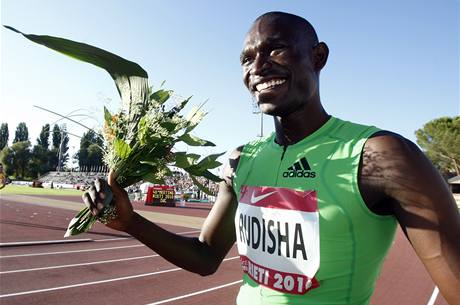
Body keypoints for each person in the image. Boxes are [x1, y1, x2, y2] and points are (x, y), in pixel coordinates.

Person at [84, 12, 460, 305]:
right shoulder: (241, 160)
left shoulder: (382, 157)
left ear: (319, 56)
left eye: (275, 49)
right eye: (247, 58)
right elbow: (204, 258)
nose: (258, 66)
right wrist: (131, 221)